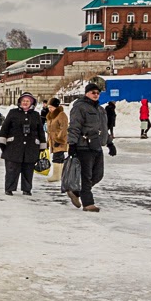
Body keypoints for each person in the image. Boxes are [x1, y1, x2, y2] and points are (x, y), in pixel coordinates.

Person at [66, 83, 116, 212]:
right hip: (83, 146)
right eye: (93, 92)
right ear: (87, 93)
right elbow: (74, 126)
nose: (96, 95)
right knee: (86, 176)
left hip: (96, 145)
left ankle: (76, 192)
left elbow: (103, 129)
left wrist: (110, 143)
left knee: (98, 175)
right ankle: (88, 203)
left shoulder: (100, 110)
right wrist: (72, 144)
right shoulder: (80, 107)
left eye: (98, 93)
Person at [0, 92, 47, 196]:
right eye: (23, 100)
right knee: (11, 170)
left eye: (28, 101)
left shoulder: (35, 115)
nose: (25, 103)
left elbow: (40, 131)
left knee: (28, 170)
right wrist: (3, 144)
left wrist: (42, 145)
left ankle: (27, 189)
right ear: (20, 102)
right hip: (13, 147)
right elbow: (4, 128)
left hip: (30, 148)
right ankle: (9, 188)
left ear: (32, 103)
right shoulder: (13, 113)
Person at [45, 97, 68, 183]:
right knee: (59, 157)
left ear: (56, 107)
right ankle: (60, 174)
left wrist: (59, 139)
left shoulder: (61, 115)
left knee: (57, 157)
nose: (50, 109)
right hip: (53, 140)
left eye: (51, 107)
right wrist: (48, 141)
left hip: (59, 141)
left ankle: (56, 175)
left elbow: (64, 128)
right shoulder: (51, 116)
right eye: (49, 107)